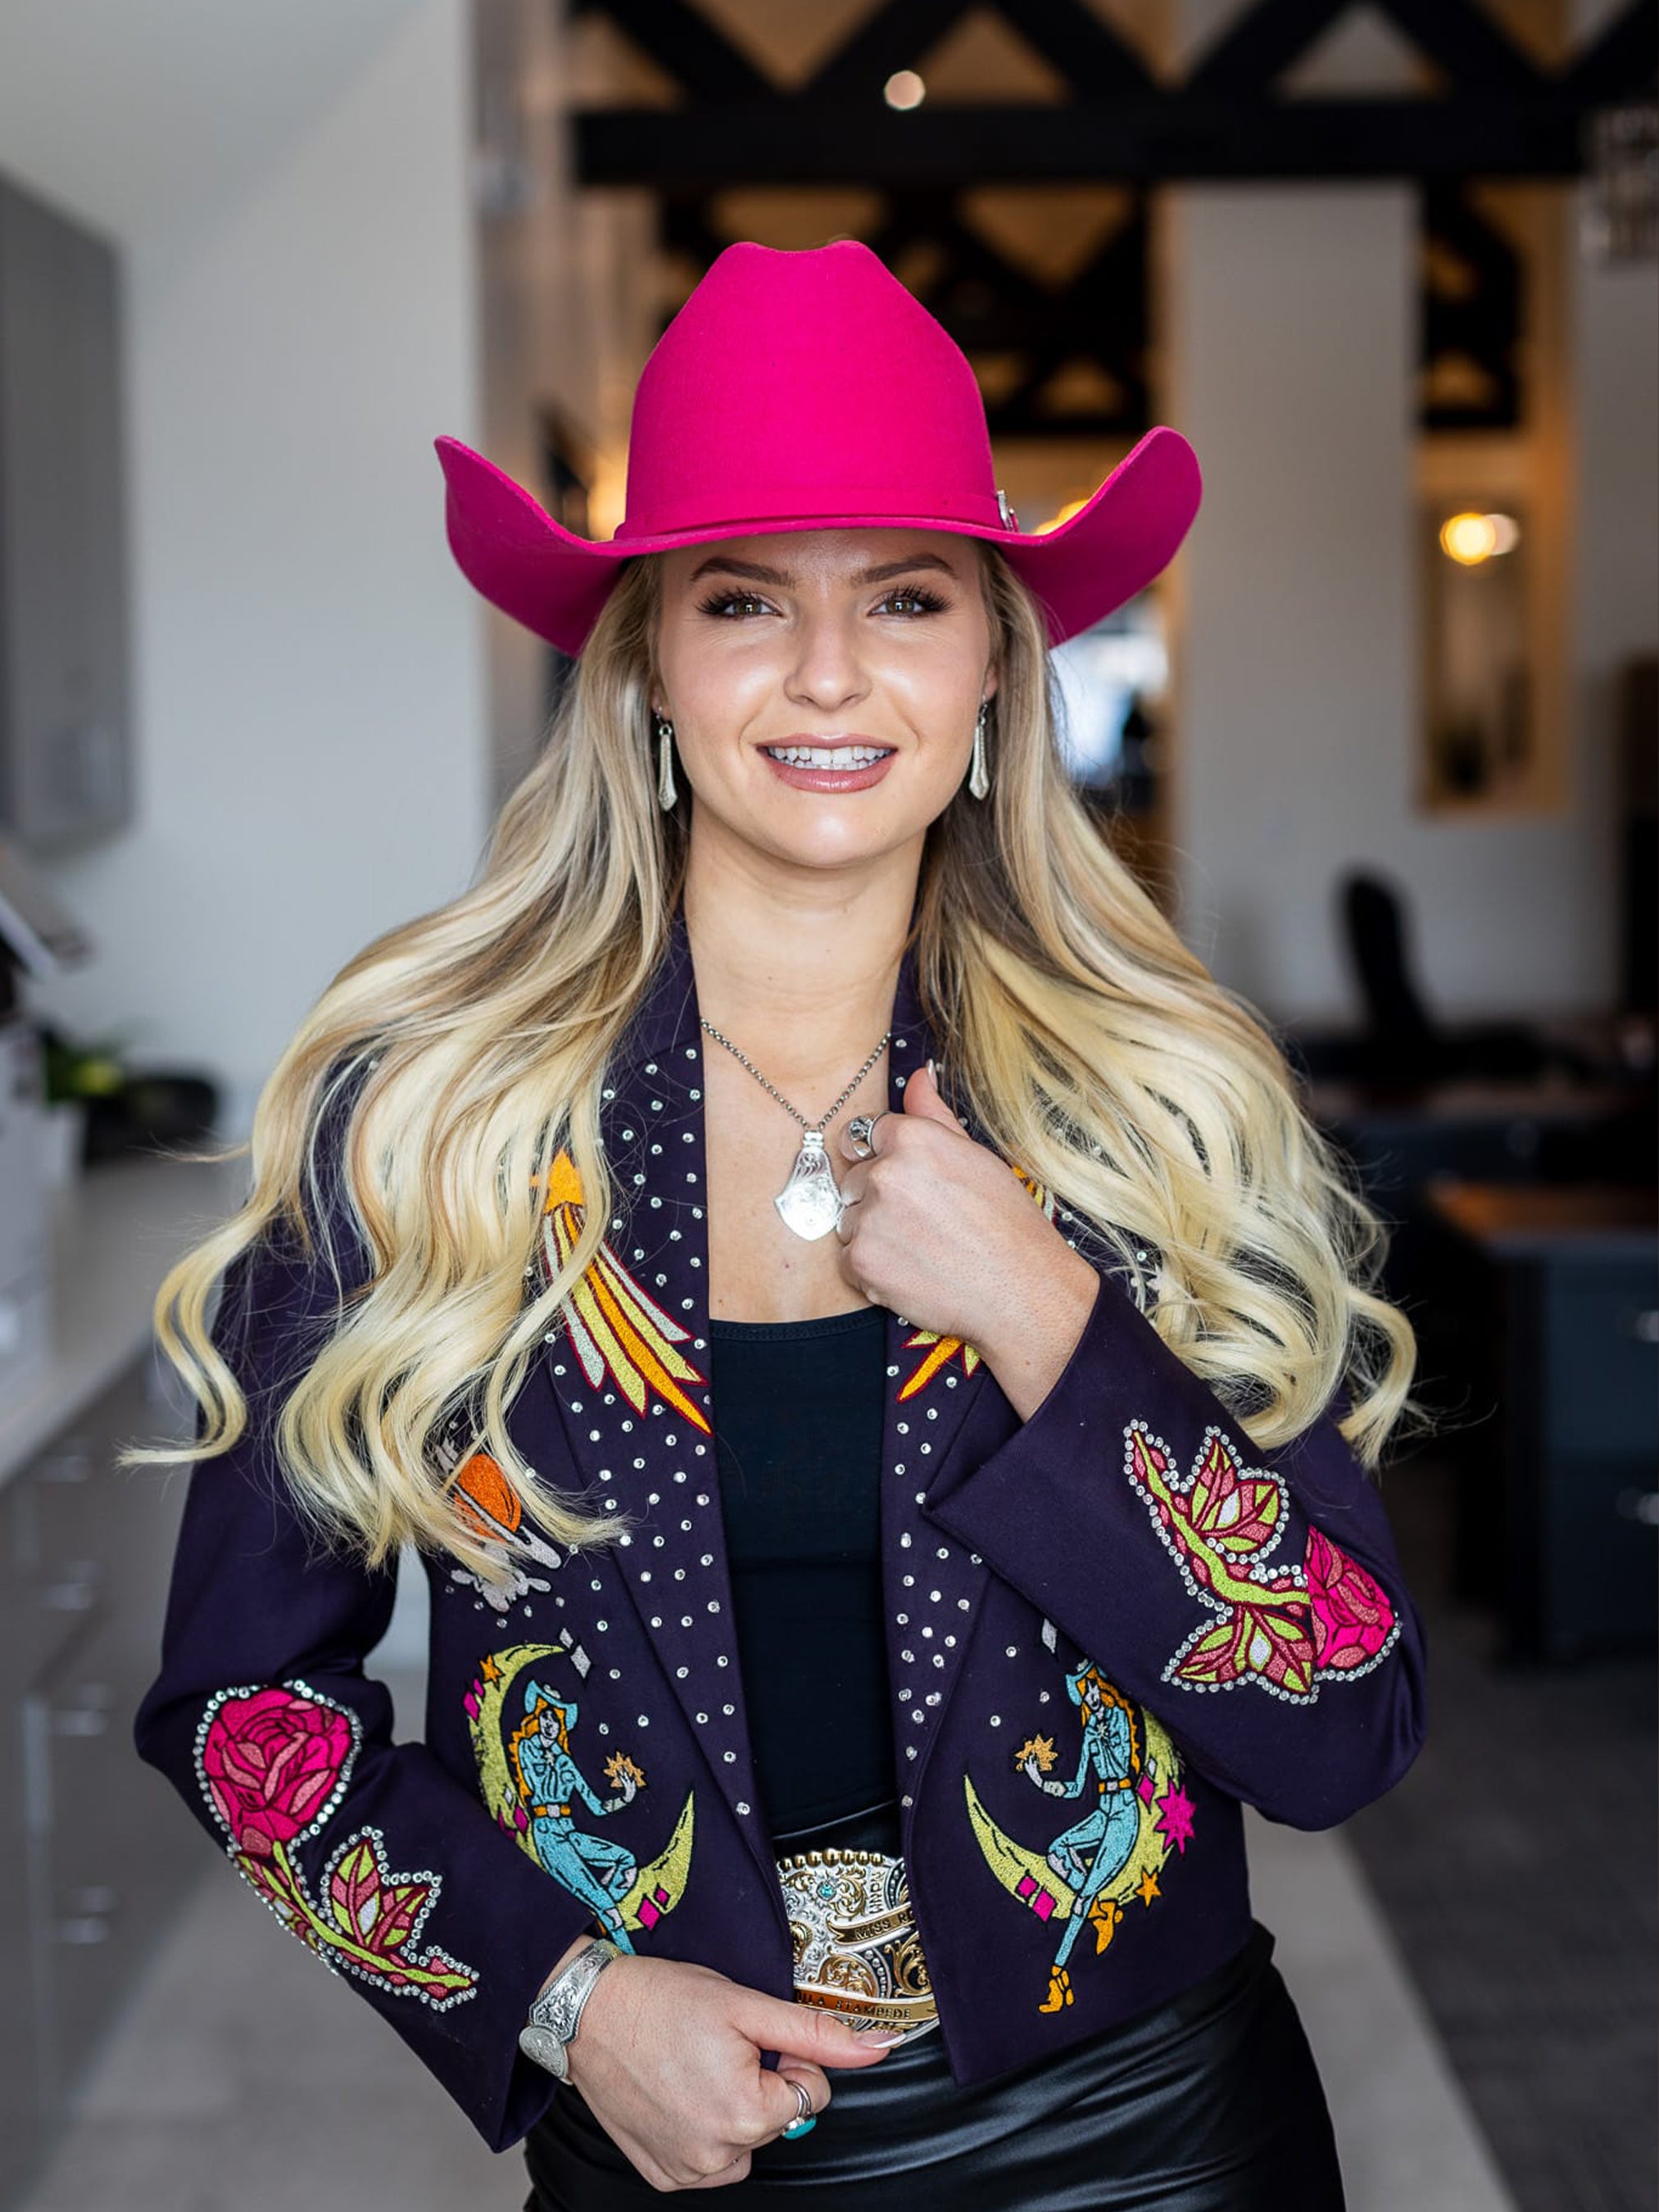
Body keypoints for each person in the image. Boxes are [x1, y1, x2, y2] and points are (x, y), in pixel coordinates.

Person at [134, 240, 1429, 2210]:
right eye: (744, 602)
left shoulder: (1148, 1112)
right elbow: (241, 1709)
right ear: (647, 660)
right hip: (669, 2140)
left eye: (904, 601)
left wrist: (1054, 1325)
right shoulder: (424, 1120)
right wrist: (562, 2002)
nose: (828, 676)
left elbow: (1339, 1729)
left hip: (1155, 2140)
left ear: (992, 662)